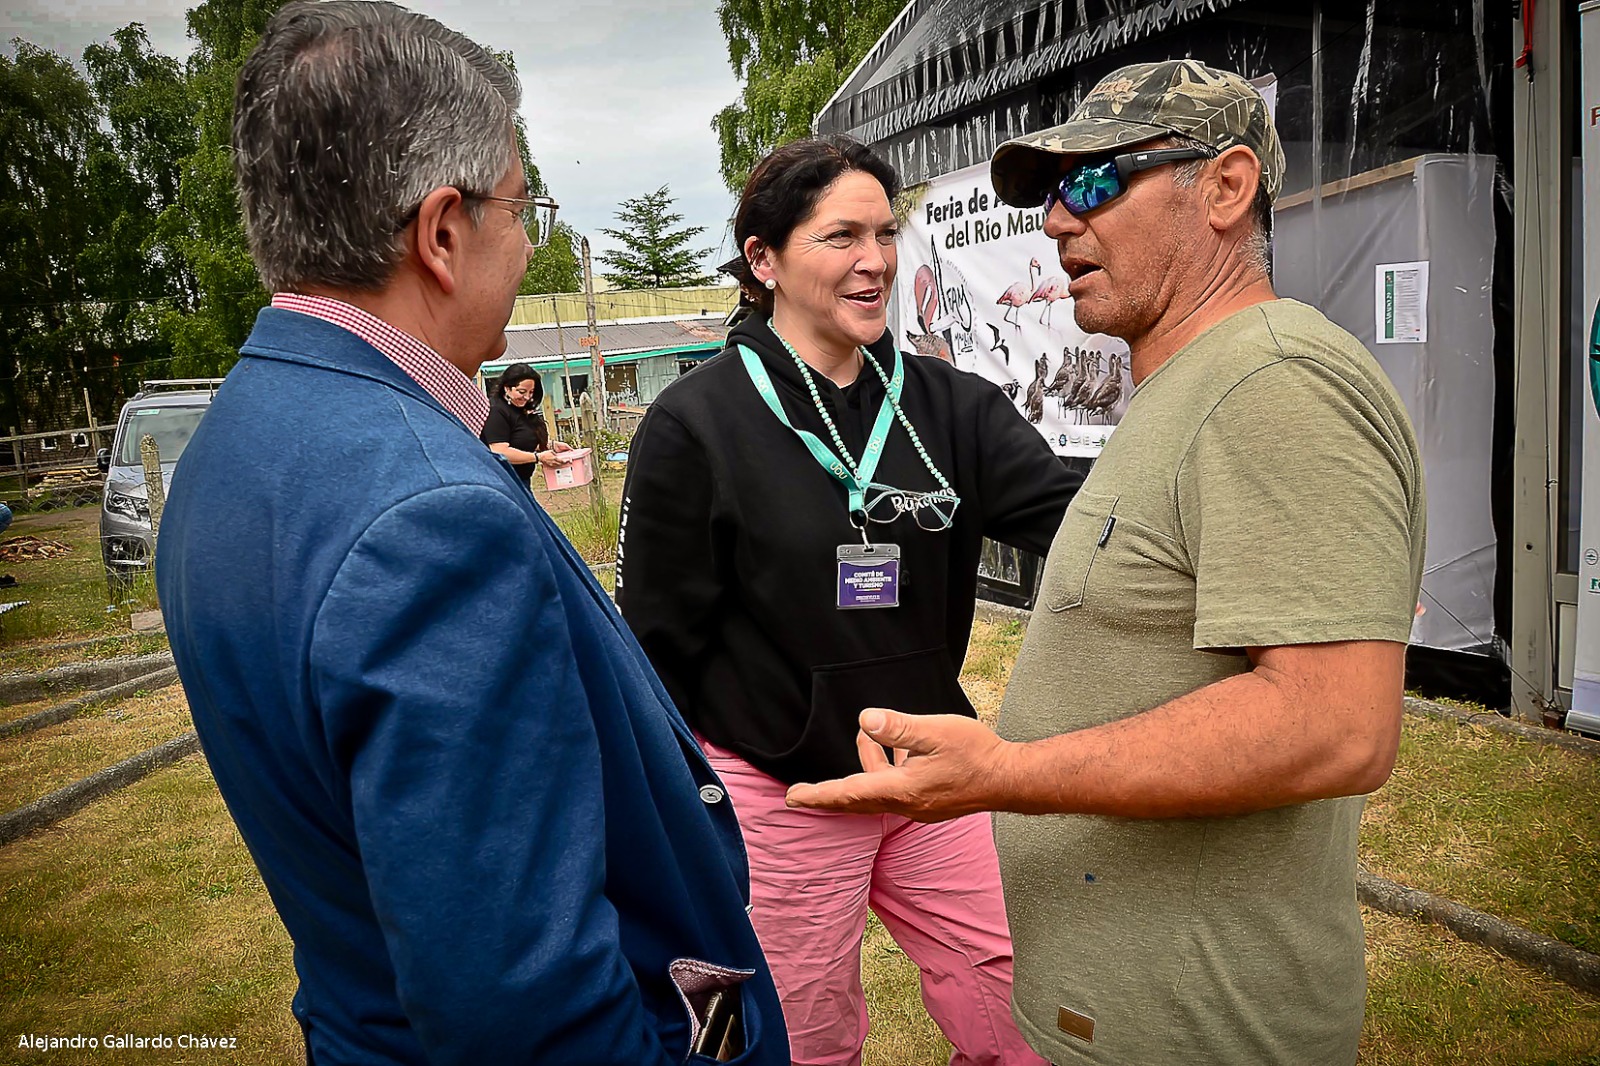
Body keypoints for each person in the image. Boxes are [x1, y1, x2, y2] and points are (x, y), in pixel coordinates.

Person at [155, 4, 785, 1063]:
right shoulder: (432, 518)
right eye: (521, 204)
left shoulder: (242, 434)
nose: (530, 240)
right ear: (442, 232)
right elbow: (519, 996)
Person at [788, 60, 1427, 1066]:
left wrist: (1007, 774)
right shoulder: (1194, 386)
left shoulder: (1273, 383)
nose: (1056, 220)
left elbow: (1335, 725)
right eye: (1052, 191)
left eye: (1094, 182)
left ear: (1225, 187)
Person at [616, 135, 1078, 1066]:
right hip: (782, 790)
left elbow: (1087, 521)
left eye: (885, 233)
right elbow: (654, 646)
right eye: (840, 237)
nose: (875, 260)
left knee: (1019, 1005)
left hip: (931, 772)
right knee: (801, 1036)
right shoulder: (696, 423)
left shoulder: (950, 407)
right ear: (764, 259)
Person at [480, 362, 570, 486]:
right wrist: (538, 457)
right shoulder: (496, 411)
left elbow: (519, 441)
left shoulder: (520, 408)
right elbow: (499, 451)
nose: (527, 397)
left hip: (521, 480)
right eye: (521, 392)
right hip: (503, 482)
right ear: (507, 388)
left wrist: (549, 445)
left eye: (531, 392)